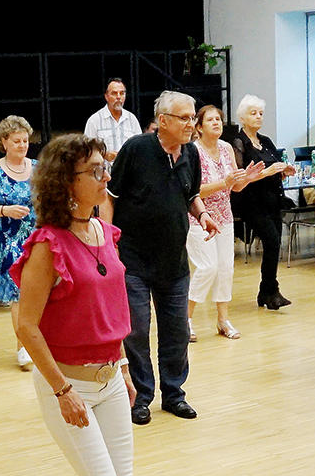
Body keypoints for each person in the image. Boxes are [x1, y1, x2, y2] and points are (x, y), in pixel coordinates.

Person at [12, 135, 136, 476]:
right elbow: (26, 325)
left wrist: (122, 364)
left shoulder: (104, 230)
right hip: (68, 385)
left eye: (105, 167)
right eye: (95, 170)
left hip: (109, 379)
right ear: (67, 182)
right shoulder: (48, 244)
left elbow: (110, 306)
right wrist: (62, 389)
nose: (106, 176)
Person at [106, 90, 217, 424]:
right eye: (184, 118)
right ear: (163, 121)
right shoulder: (136, 149)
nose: (191, 124)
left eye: (193, 117)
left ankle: (174, 394)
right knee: (137, 331)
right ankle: (141, 397)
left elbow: (191, 194)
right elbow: (109, 196)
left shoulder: (191, 153)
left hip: (174, 263)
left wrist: (202, 214)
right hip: (133, 261)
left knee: (177, 332)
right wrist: (107, 242)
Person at [186, 104, 256, 341]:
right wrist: (224, 183)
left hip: (224, 216)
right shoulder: (192, 151)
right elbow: (192, 190)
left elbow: (234, 186)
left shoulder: (226, 148)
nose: (216, 123)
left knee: (226, 268)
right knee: (208, 267)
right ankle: (186, 319)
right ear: (199, 127)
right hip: (199, 218)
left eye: (218, 119)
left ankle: (223, 319)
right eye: (210, 120)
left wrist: (248, 178)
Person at [224, 94, 295, 310]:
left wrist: (284, 171)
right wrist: (267, 172)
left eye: (261, 113)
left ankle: (267, 291)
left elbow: (276, 165)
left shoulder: (265, 141)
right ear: (243, 118)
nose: (258, 117)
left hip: (272, 199)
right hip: (250, 201)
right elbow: (240, 176)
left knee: (275, 243)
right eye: (253, 113)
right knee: (271, 240)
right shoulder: (238, 143)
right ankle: (270, 290)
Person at [0, 116, 39, 367]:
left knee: (40, 291)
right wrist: (5, 210)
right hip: (9, 239)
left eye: (25, 140)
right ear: (4, 142)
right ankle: (23, 346)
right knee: (19, 294)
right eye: (16, 141)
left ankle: (42, 342)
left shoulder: (37, 167)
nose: (22, 145)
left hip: (37, 237)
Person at [83, 77, 141, 161]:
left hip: (128, 169)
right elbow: (86, 151)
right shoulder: (95, 120)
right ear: (106, 96)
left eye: (122, 93)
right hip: (104, 168)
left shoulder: (132, 120)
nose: (118, 97)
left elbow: (140, 148)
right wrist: (104, 155)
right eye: (114, 93)